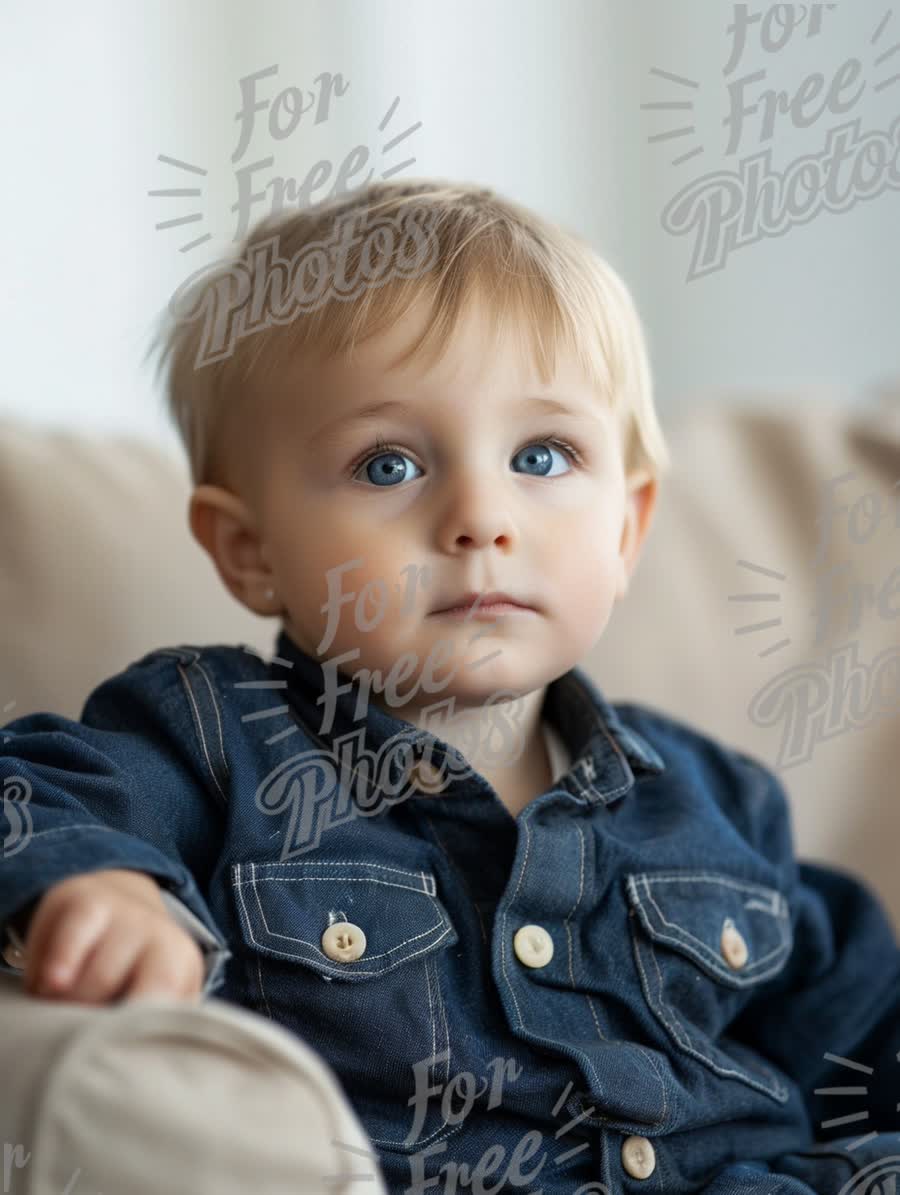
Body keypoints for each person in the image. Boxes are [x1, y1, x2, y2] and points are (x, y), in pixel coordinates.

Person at [2, 179, 899, 1195]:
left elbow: (857, 1031)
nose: (481, 517)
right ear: (250, 551)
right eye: (388, 465)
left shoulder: (717, 798)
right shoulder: (213, 737)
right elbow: (40, 792)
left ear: (625, 529)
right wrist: (106, 887)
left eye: (542, 455)